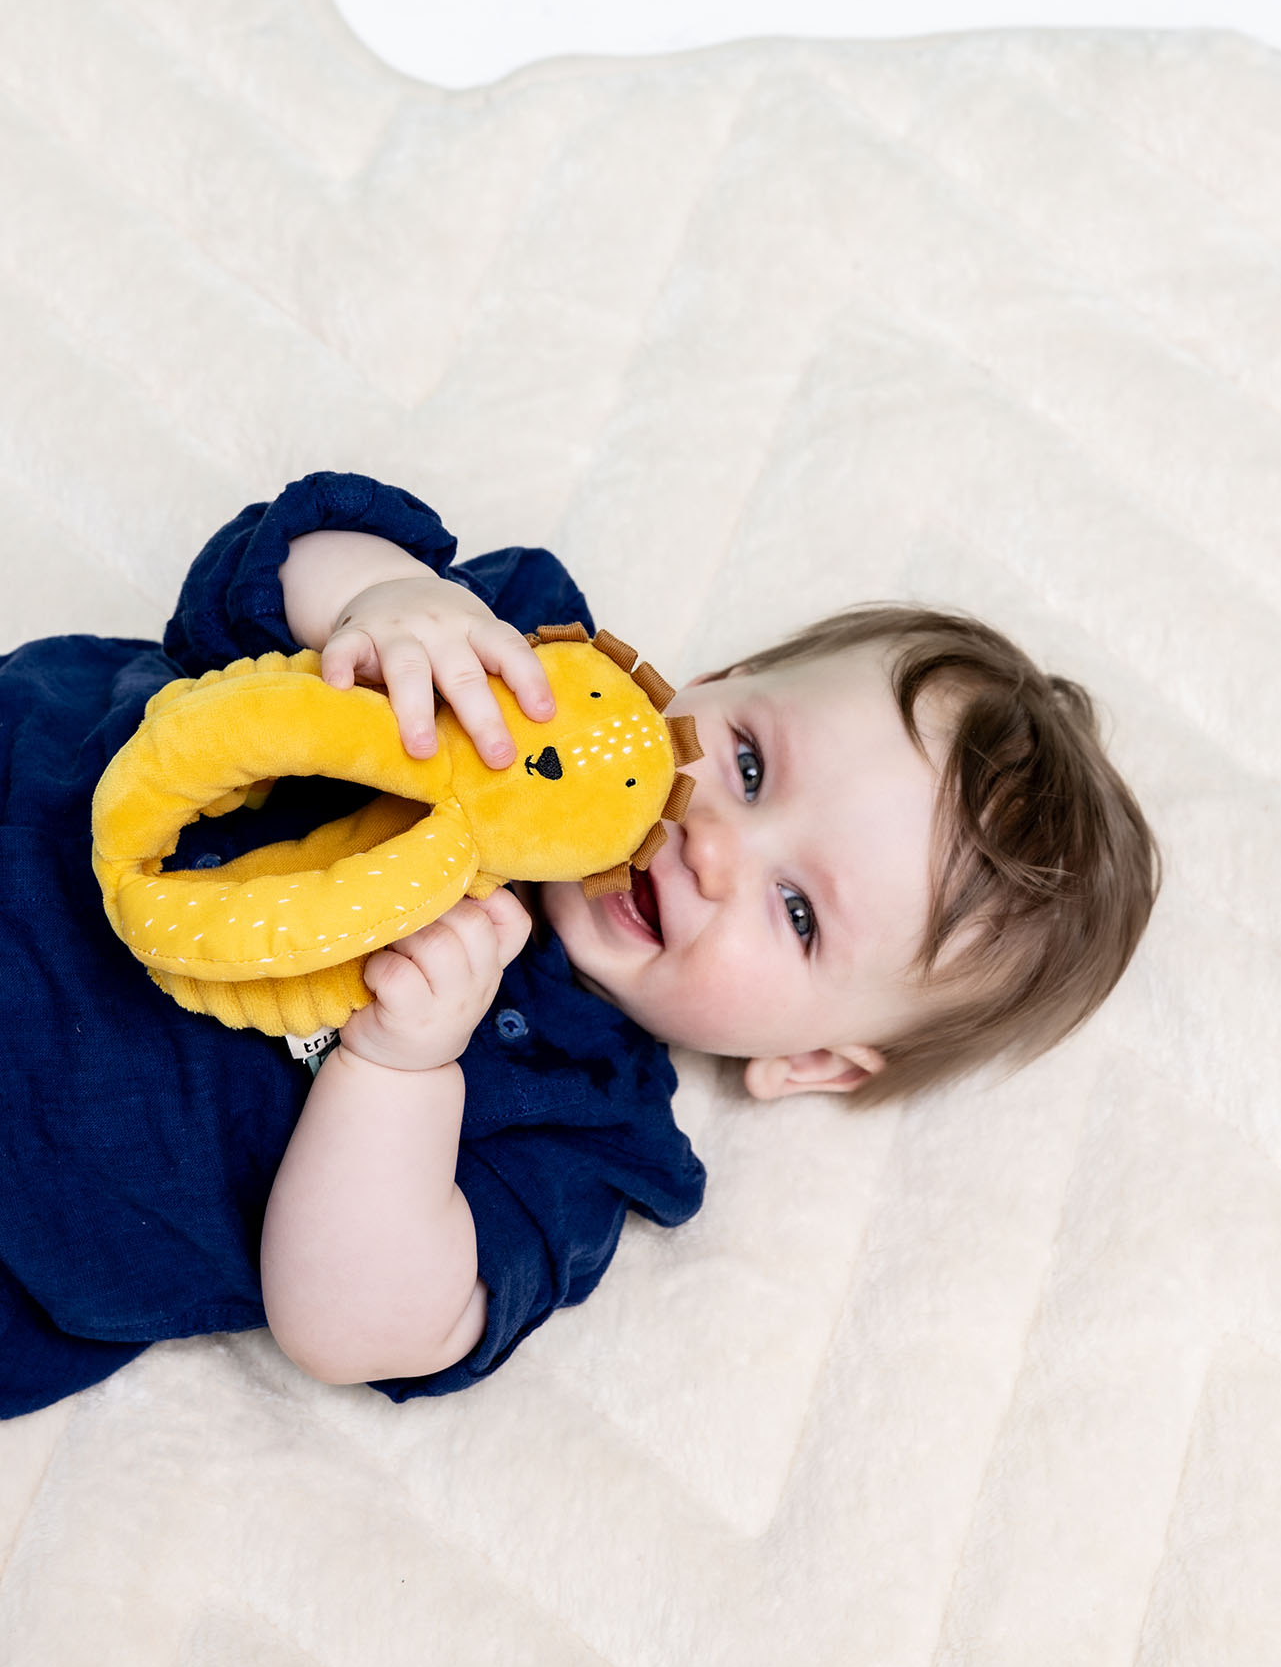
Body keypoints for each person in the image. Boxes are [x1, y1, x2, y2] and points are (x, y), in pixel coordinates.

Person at [0, 471, 1160, 1418]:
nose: (716, 846)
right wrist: (390, 603)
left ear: (812, 1060)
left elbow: (358, 1327)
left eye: (799, 914)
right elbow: (266, 563)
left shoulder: (582, 1128)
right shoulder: (520, 675)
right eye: (750, 763)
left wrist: (399, 1073)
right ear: (711, 683)